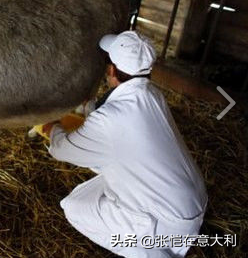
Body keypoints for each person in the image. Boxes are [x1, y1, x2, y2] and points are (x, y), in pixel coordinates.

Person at [42, 31, 207, 258]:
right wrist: (90, 107)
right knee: (85, 192)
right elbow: (115, 122)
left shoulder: (110, 118)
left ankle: (153, 254)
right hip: (191, 201)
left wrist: (51, 128)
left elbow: (63, 150)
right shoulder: (153, 95)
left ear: (111, 71)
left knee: (74, 208)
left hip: (168, 222)